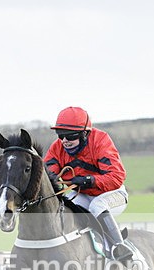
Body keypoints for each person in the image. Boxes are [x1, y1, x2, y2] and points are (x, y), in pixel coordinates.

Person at [44, 106, 132, 262]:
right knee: (67, 207)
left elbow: (117, 176)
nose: (64, 141)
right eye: (61, 135)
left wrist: (89, 180)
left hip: (113, 194)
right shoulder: (58, 147)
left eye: (70, 136)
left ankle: (119, 247)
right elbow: (48, 175)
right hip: (83, 194)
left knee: (96, 206)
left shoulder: (101, 140)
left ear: (84, 134)